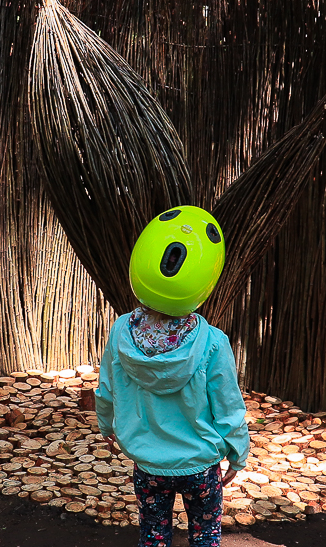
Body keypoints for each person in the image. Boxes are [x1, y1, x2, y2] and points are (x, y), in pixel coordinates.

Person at [96, 206, 250, 547]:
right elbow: (228, 407)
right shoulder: (212, 343)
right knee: (205, 536)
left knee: (153, 534)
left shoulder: (121, 331)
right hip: (200, 465)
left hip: (149, 464)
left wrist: (107, 425)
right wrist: (238, 454)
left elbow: (106, 389)